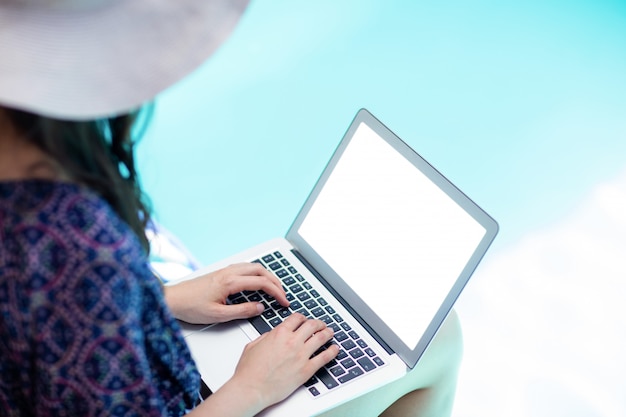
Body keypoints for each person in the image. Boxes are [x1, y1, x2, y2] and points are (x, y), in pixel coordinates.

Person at [0, 1, 463, 416]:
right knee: (437, 339)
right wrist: (253, 388)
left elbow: (44, 324)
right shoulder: (74, 239)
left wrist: (159, 300)